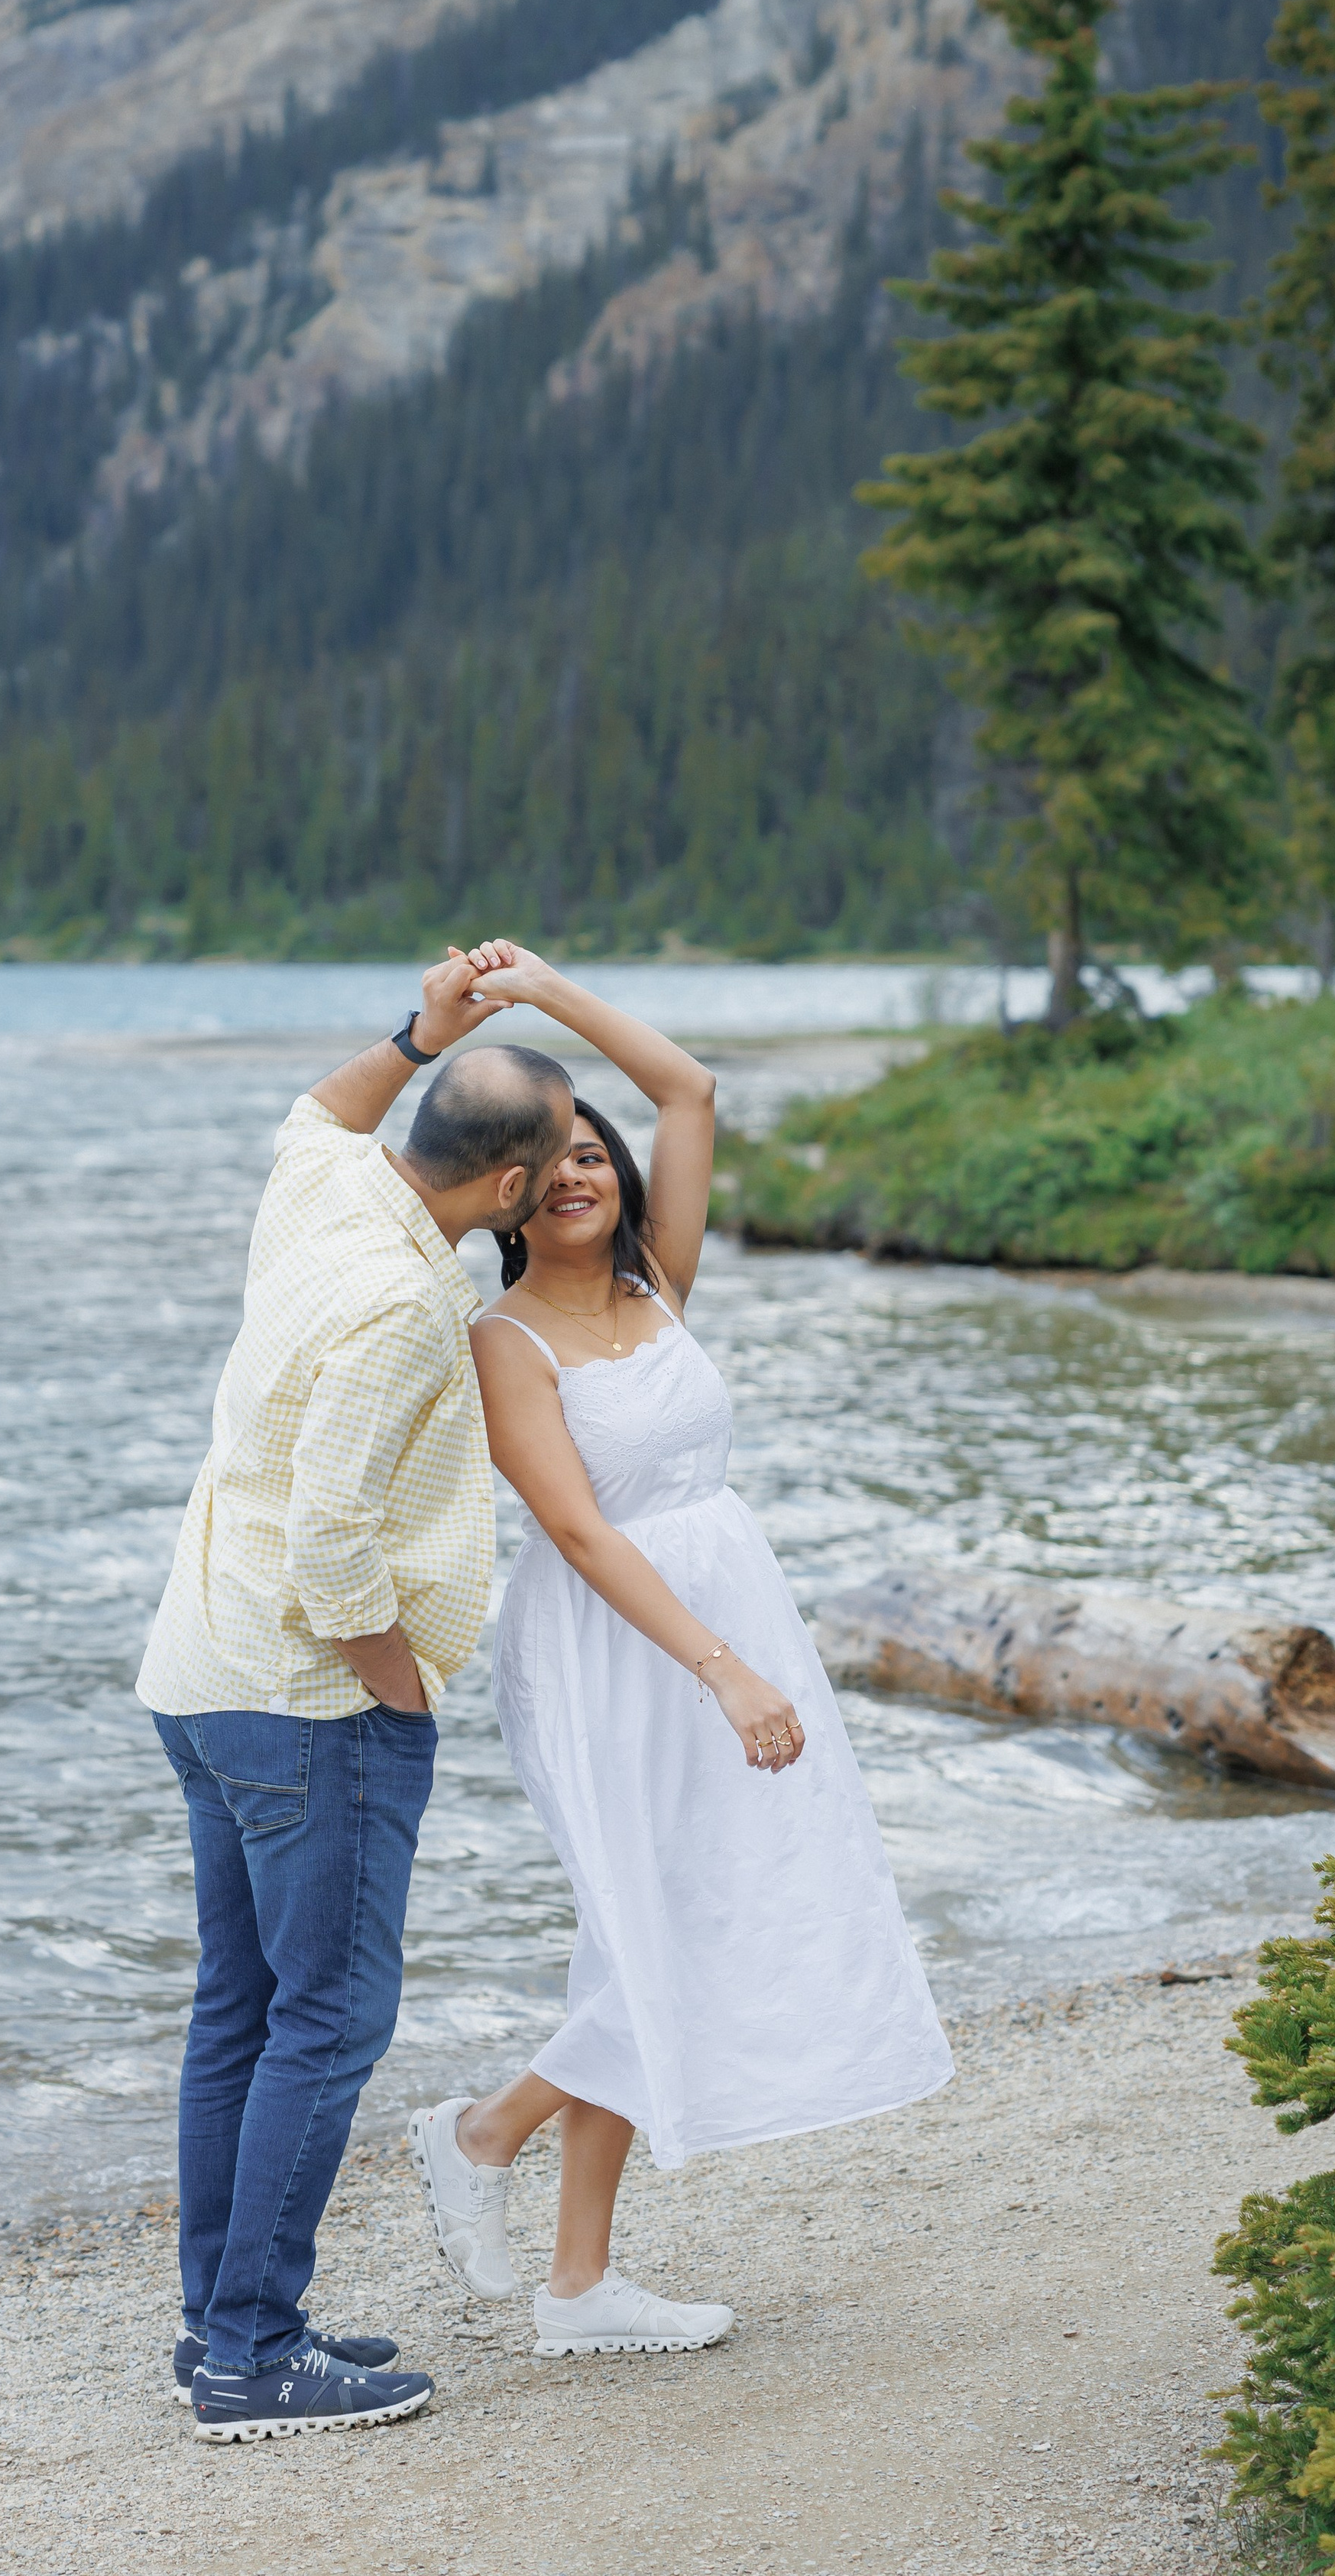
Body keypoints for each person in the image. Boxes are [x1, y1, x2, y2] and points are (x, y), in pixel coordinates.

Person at [407, 947, 952, 2358]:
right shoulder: (504, 1339)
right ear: (510, 1194)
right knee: (658, 1924)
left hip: (727, 1612)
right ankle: (484, 2135)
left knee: (673, 1921)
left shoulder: (662, 1283)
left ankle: (575, 2281)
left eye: (591, 1149)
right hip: (614, 1645)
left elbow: (689, 1085)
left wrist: (542, 997)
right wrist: (721, 1669)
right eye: (547, 1160)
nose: (578, 1172)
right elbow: (581, 1535)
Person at [138, 945, 572, 2442]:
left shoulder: (335, 1192)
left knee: (241, 2012)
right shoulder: (405, 1296)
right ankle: (253, 2356)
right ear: (510, 1187)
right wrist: (398, 1692)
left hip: (198, 1671)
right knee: (325, 2019)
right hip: (306, 1699)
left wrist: (414, 1030)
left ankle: (218, 2329)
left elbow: (312, 1116)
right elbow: (330, 1535)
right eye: (558, 1160)